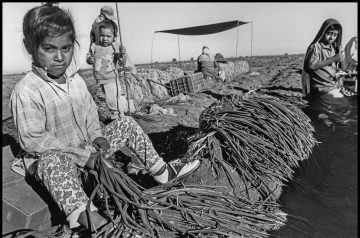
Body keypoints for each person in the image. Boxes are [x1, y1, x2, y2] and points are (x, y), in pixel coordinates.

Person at [10, 3, 200, 232]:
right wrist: (83, 156)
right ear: (29, 46)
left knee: (127, 124)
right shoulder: (27, 89)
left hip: (86, 149)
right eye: (49, 49)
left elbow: (90, 113)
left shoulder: (76, 80)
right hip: (58, 160)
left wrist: (97, 135)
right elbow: (34, 140)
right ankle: (99, 226)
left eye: (66, 48)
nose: (60, 57)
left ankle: (162, 172)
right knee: (52, 161)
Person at [301, 18, 351, 126]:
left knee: (346, 106)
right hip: (321, 86)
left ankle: (321, 115)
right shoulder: (316, 48)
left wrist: (340, 65)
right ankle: (320, 116)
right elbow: (312, 66)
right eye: (329, 33)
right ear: (323, 33)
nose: (332, 37)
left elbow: (334, 67)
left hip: (330, 85)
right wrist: (333, 59)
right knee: (343, 107)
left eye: (335, 35)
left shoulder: (333, 48)